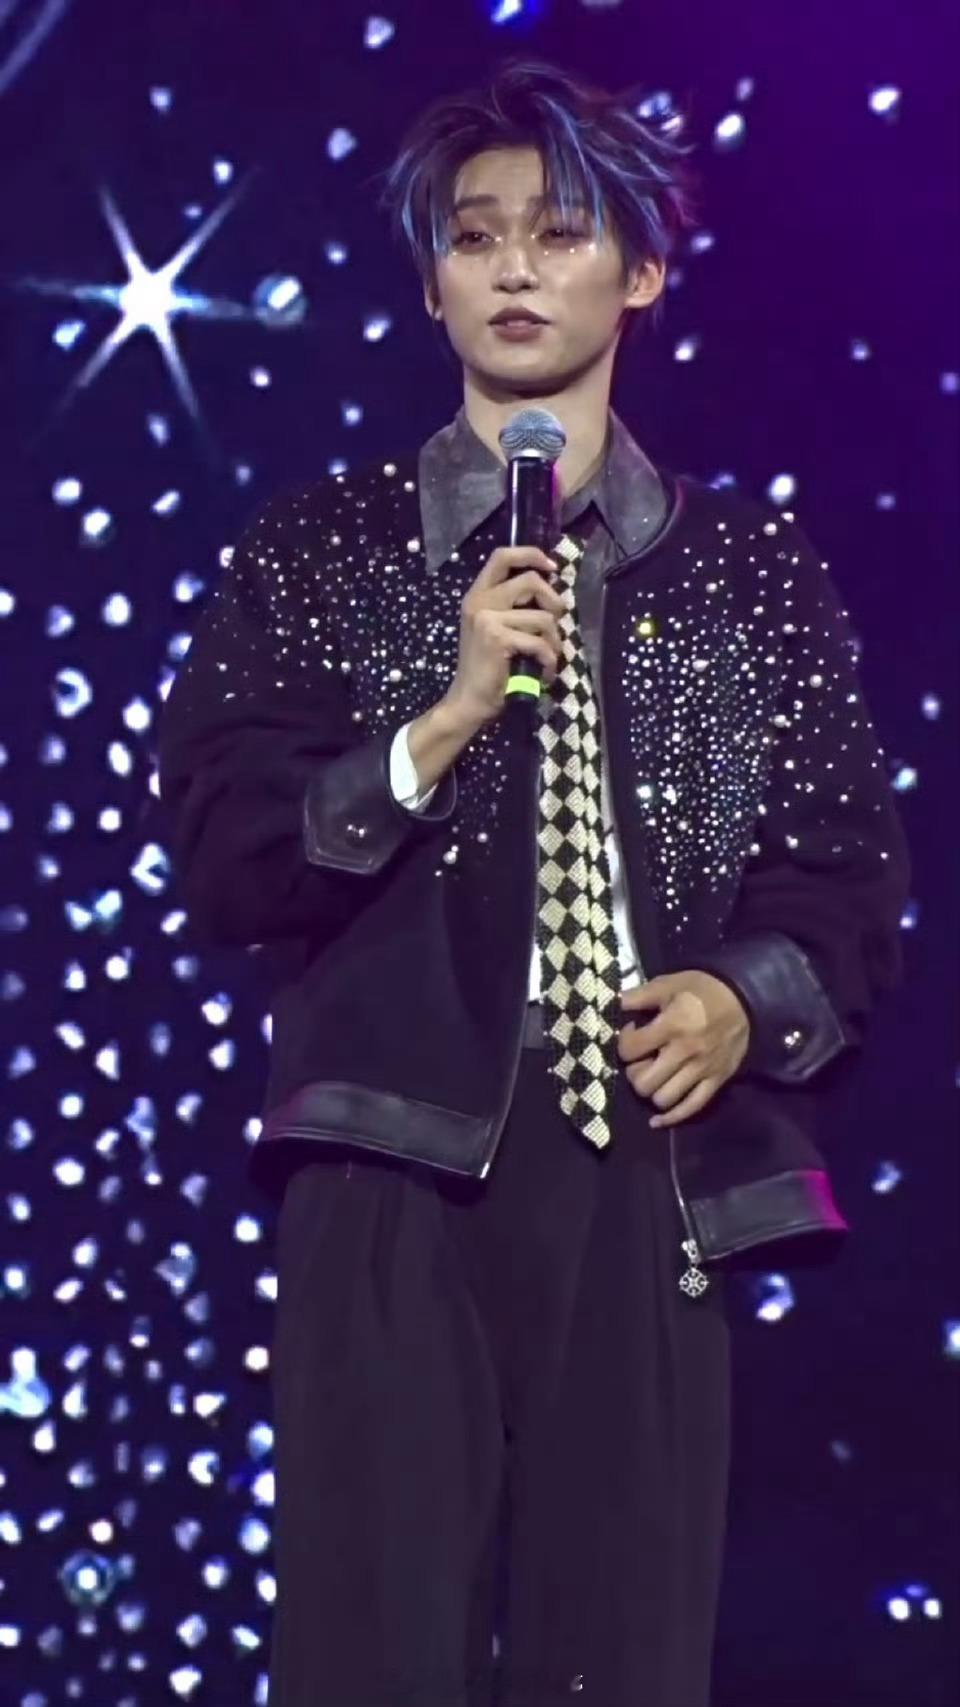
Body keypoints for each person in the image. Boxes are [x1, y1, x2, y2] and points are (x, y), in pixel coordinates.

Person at [157, 58, 910, 1707]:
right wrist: (438, 722)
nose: (512, 268)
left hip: (650, 1180)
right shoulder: (321, 548)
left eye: (557, 234)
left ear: (639, 271)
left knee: (620, 1657)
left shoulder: (746, 573)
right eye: (474, 235)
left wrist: (741, 1000)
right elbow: (222, 845)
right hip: (390, 1167)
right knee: (372, 1653)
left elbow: (849, 873)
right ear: (430, 280)